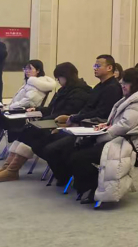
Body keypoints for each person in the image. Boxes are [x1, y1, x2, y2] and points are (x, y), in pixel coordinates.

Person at [69, 69, 138, 203]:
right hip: (119, 138)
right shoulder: (133, 98)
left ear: (135, 84)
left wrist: (105, 133)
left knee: (81, 156)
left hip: (128, 142)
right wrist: (107, 125)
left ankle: (94, 187)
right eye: (122, 83)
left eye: (125, 83)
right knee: (79, 147)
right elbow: (122, 123)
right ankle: (89, 186)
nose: (122, 85)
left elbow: (126, 125)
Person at [37, 55, 123, 186]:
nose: (94, 68)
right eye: (94, 65)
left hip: (93, 130)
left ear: (109, 68)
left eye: (98, 65)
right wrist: (73, 118)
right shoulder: (99, 86)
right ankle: (65, 175)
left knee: (52, 149)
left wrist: (74, 118)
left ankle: (66, 176)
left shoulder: (113, 88)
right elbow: (87, 108)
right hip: (82, 125)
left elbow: (101, 113)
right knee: (43, 141)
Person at [0, 62, 91, 181]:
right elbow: (51, 109)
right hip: (53, 121)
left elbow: (65, 114)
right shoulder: (64, 90)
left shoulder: (80, 92)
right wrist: (38, 109)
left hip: (62, 124)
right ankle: (8, 167)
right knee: (27, 131)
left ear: (66, 76)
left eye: (59, 78)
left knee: (31, 133)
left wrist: (44, 119)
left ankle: (12, 170)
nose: (58, 81)